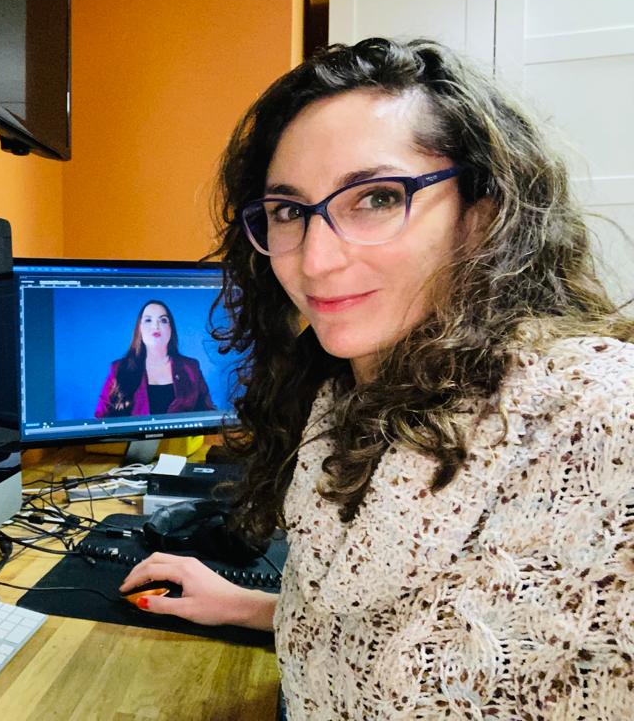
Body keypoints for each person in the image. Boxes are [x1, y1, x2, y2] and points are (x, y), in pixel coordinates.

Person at [119, 38, 634, 718]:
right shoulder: (336, 396)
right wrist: (254, 608)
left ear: (480, 215)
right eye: (288, 210)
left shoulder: (599, 418)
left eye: (378, 198)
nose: (317, 261)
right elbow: (380, 633)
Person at [94, 299, 215, 417]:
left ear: (171, 329)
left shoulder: (191, 367)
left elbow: (208, 415)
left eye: (163, 320)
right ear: (139, 329)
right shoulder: (119, 369)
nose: (156, 326)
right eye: (148, 320)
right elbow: (101, 420)